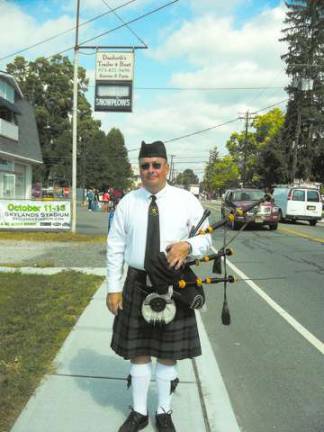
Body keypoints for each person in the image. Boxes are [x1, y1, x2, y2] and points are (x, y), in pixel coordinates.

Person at [106, 140, 211, 432]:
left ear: (166, 167)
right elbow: (115, 246)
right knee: (138, 351)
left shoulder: (185, 201)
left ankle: (164, 411)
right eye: (145, 165)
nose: (150, 170)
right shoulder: (128, 202)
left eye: (156, 164)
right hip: (137, 282)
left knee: (168, 353)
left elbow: (207, 239)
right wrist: (113, 287)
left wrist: (188, 245)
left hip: (172, 283)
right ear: (139, 169)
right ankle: (139, 412)